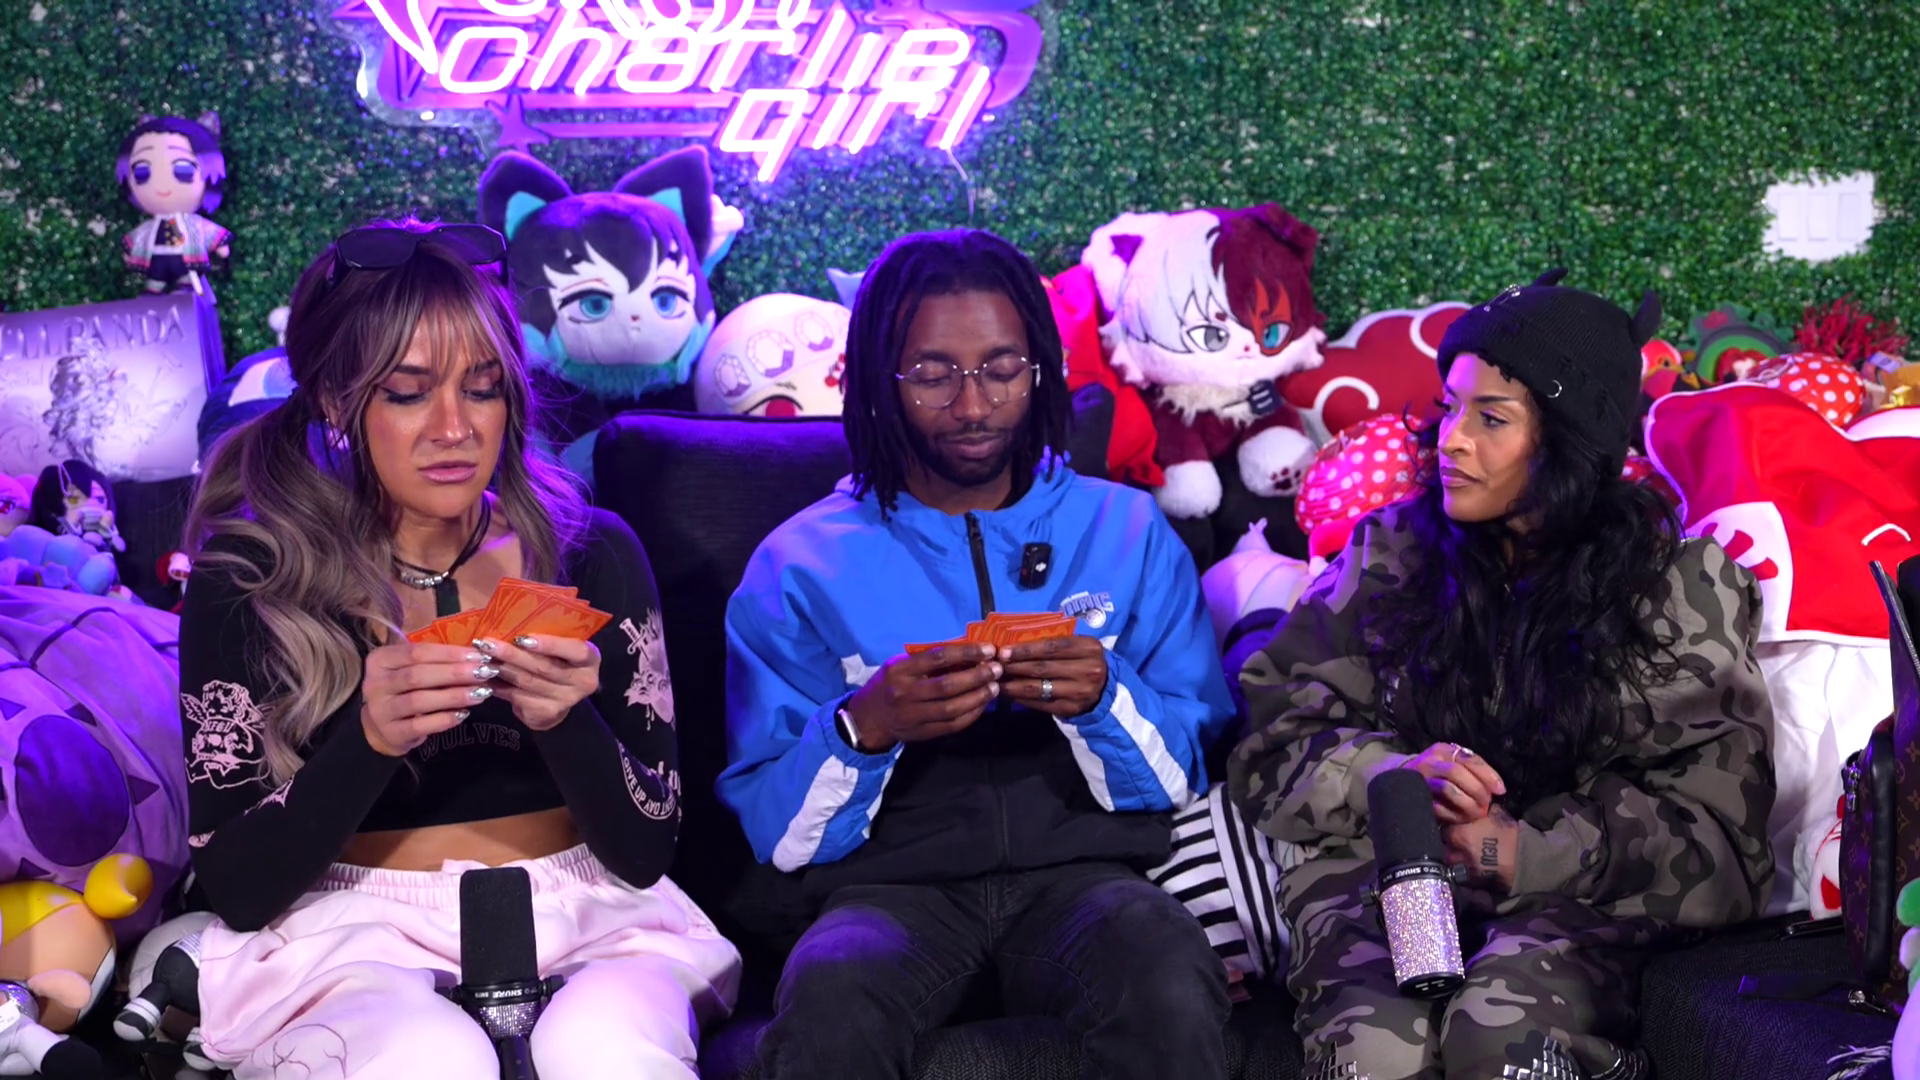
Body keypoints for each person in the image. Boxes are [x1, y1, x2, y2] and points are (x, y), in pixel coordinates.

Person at [176, 220, 740, 1079]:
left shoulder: (593, 552)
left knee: (604, 1053)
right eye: (408, 394)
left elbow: (646, 850)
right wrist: (368, 741)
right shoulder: (249, 580)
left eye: (481, 389)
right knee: (428, 1058)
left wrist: (567, 720)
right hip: (349, 939)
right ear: (335, 401)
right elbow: (238, 888)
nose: (454, 428)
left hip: (594, 921)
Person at [1228, 271, 1776, 1080]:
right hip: (1390, 873)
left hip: (1574, 897)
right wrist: (1389, 778)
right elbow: (1274, 737)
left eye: (1491, 418)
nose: (1451, 440)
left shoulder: (1673, 590)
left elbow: (1722, 840)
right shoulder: (1389, 556)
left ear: (1569, 442)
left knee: (1499, 1039)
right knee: (1378, 1056)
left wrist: (1527, 852)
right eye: (1450, 407)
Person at [718, 229, 1238, 1079]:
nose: (972, 406)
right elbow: (777, 833)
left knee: (1168, 971)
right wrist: (865, 726)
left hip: (1088, 879)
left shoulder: (1125, 527)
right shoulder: (798, 562)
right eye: (933, 374)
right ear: (878, 382)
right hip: (887, 893)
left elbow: (1187, 770)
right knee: (831, 994)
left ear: (1039, 372)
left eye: (1001, 370)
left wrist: (1104, 699)